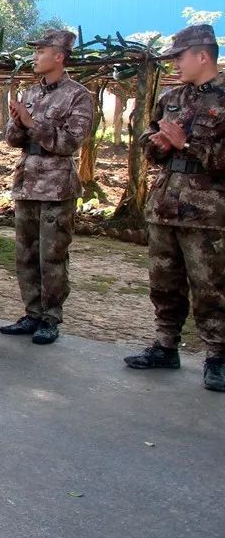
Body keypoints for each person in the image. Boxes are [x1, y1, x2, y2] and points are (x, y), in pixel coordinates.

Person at [123, 25, 225, 392]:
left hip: (208, 212)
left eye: (179, 57)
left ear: (202, 55)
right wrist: (160, 145)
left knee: (211, 287)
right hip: (166, 204)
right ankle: (166, 345)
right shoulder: (170, 98)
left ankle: (218, 356)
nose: (174, 64)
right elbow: (148, 144)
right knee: (163, 282)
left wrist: (186, 145)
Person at [0, 29, 93, 345]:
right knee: (25, 254)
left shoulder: (78, 95)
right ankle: (32, 313)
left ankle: (51, 318)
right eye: (35, 51)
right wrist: (17, 122)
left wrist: (31, 123)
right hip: (27, 181)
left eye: (42, 51)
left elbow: (69, 142)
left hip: (56, 186)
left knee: (51, 256)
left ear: (59, 57)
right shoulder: (31, 93)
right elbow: (13, 140)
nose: (36, 56)